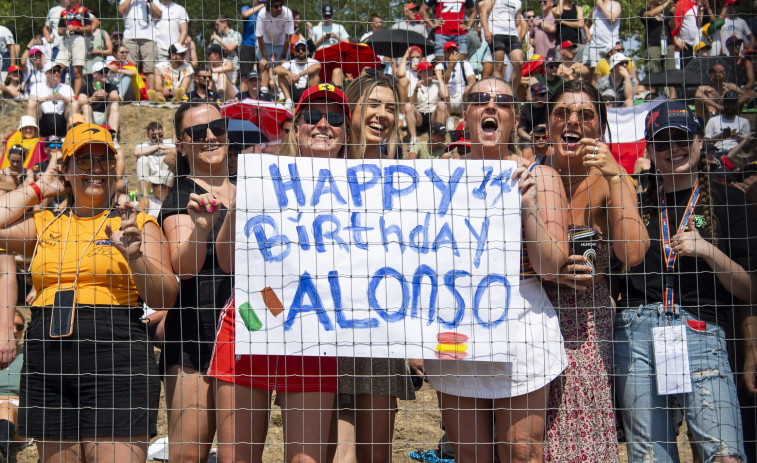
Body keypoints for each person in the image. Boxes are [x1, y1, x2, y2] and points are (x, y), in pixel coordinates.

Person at [0, 122, 177, 462]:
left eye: (104, 161)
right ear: (65, 169)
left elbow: (166, 297)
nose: (96, 170)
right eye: (83, 162)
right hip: (47, 356)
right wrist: (39, 188)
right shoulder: (45, 222)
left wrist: (135, 256)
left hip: (117, 354)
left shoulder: (137, 223)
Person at [424, 76, 569, 463]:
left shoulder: (541, 176)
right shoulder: (439, 175)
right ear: (466, 115)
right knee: (469, 453)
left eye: (501, 101)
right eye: (479, 100)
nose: (490, 106)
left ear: (515, 117)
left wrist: (529, 208)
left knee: (522, 451)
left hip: (522, 323)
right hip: (455, 323)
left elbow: (552, 267)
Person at [616, 99, 755, 463]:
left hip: (702, 331)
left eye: (682, 138)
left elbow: (750, 289)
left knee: (725, 456)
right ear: (649, 149)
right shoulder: (633, 200)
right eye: (662, 142)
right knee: (651, 459)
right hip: (638, 336)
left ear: (699, 141)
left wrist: (708, 251)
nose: (673, 149)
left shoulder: (731, 202)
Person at [209, 86, 342, 463]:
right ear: (295, 130)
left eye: (333, 118)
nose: (322, 125)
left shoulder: (362, 189)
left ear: (345, 133)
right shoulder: (263, 177)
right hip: (251, 321)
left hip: (314, 335)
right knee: (237, 458)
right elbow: (226, 261)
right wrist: (237, 207)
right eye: (312, 117)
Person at [541, 79, 649, 462]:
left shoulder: (609, 180)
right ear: (549, 122)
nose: (572, 121)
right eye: (562, 113)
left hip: (586, 325)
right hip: (533, 317)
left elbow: (633, 252)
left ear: (600, 128)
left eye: (585, 115)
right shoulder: (528, 170)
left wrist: (618, 176)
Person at [159, 101, 234, 463]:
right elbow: (183, 267)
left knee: (241, 455)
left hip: (247, 331)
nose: (210, 136)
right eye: (196, 132)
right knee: (189, 455)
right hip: (195, 334)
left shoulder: (253, 188)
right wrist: (202, 231)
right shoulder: (180, 196)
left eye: (217, 127)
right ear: (181, 145)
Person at [0, 310, 28, 463]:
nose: (16, 331)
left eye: (20, 326)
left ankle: (1, 451)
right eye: (11, 326)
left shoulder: (29, 355)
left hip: (18, 411)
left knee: (6, 407)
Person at [56, 1, 99, 97]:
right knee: (57, 68)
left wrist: (76, 28)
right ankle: (57, 94)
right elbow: (59, 30)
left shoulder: (83, 11)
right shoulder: (64, 12)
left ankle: (76, 97)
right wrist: (62, 30)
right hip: (67, 39)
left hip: (79, 39)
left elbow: (89, 28)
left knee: (77, 70)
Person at [479, 0, 526, 85]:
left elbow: (518, 24)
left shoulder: (518, 2)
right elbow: (483, 11)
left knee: (519, 62)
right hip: (496, 33)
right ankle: (498, 94)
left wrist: (519, 42)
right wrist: (486, 30)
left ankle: (512, 93)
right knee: (499, 66)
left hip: (512, 35)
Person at [118, 0, 161, 91]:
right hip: (130, 37)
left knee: (150, 68)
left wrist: (150, 2)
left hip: (149, 37)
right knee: (129, 66)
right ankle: (130, 95)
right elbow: (121, 9)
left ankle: (151, 96)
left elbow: (158, 14)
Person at [255, 0, 294, 94]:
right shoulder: (262, 13)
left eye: (281, 5)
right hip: (265, 42)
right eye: (276, 6)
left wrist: (283, 56)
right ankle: (264, 92)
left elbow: (288, 37)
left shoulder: (287, 12)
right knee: (263, 65)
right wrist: (264, 58)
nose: (279, 8)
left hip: (282, 43)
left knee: (282, 67)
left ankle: (282, 94)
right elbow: (259, 37)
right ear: (269, 7)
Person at [27, 62, 74, 138]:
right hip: (44, 119)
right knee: (32, 104)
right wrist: (45, 99)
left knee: (72, 104)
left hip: (61, 119)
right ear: (46, 74)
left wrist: (63, 99)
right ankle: (33, 139)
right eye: (53, 71)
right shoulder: (37, 86)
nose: (56, 73)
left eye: (58, 71)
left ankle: (72, 137)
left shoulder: (66, 87)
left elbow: (74, 103)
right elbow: (31, 102)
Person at [405, 61, 448, 143]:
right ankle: (414, 138)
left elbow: (445, 95)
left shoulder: (437, 84)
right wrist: (416, 90)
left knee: (442, 105)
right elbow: (412, 103)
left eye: (430, 70)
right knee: (408, 106)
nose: (429, 72)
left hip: (433, 116)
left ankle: (438, 136)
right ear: (420, 73)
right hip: (420, 116)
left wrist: (439, 78)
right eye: (426, 70)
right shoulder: (413, 84)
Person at [436, 41, 476, 130]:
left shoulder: (465, 64)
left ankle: (463, 116)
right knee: (445, 87)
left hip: (462, 98)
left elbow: (472, 79)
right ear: (445, 53)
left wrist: (469, 86)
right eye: (449, 51)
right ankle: (449, 118)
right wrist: (450, 65)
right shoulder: (440, 66)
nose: (452, 54)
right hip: (447, 99)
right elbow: (444, 81)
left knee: (470, 88)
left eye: (454, 51)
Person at [133, 121, 176, 198]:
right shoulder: (144, 145)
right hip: (149, 178)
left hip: (165, 176)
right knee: (142, 159)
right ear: (148, 136)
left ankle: (166, 194)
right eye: (153, 136)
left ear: (163, 133)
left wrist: (165, 150)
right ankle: (145, 196)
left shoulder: (169, 142)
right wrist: (158, 147)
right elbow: (136, 153)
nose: (157, 138)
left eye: (160, 135)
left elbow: (177, 151)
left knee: (168, 157)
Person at [274, 39, 321, 109]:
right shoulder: (291, 62)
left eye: (303, 49)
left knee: (315, 76)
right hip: (293, 90)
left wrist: (299, 75)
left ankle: (311, 101)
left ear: (307, 52)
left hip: (307, 90)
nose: (301, 51)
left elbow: (318, 66)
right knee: (281, 75)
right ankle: (289, 101)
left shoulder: (313, 61)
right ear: (295, 53)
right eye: (298, 50)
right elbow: (276, 69)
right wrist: (290, 74)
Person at [78, 61, 121, 134]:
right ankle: (90, 138)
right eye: (101, 72)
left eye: (106, 72)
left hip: (106, 116)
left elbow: (117, 98)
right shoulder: (86, 87)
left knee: (115, 104)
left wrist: (107, 95)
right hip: (90, 116)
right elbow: (80, 102)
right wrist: (93, 98)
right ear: (94, 74)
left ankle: (113, 138)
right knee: (86, 107)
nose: (104, 74)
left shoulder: (111, 86)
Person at [584, 0, 621, 73]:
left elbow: (612, 19)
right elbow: (586, 24)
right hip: (595, 46)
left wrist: (601, 5)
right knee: (596, 74)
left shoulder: (615, 5)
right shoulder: (594, 9)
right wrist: (588, 35)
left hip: (611, 45)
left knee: (615, 71)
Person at [640, 0, 676, 74]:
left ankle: (670, 85)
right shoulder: (644, 10)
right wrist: (667, 3)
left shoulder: (666, 12)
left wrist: (672, 14)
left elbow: (672, 27)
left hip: (668, 44)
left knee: (671, 73)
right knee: (652, 73)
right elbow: (650, 14)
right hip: (653, 45)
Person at [240, 1, 266, 94]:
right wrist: (262, 5)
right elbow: (245, 14)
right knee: (245, 76)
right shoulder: (246, 7)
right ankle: (242, 101)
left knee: (263, 74)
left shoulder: (267, 11)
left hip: (262, 45)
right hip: (248, 44)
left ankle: (263, 100)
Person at [211, 14, 242, 86]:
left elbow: (230, 49)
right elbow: (215, 54)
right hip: (218, 68)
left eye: (217, 24)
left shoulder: (236, 34)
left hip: (232, 70)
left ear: (224, 23)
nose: (216, 27)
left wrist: (217, 38)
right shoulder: (218, 37)